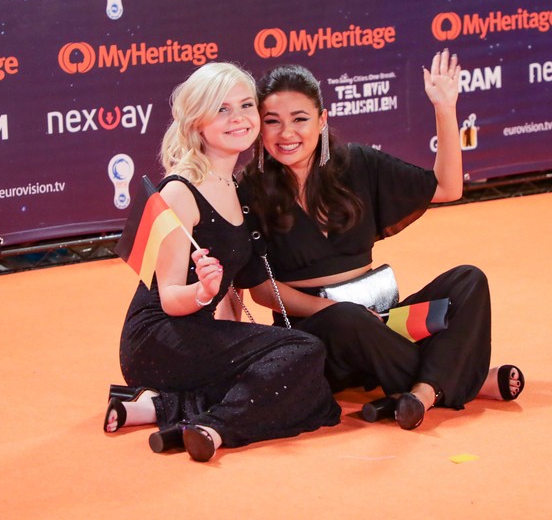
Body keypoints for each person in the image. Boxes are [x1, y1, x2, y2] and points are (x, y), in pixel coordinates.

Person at [239, 50, 524, 431]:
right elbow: (260, 291)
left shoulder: (356, 164)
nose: (286, 134)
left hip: (382, 322)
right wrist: (335, 311)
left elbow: (448, 187)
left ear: (322, 121)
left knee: (468, 280)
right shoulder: (250, 188)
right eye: (272, 122)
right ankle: (462, 382)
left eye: (300, 119)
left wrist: (445, 108)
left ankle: (422, 392)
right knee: (346, 318)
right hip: (320, 335)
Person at [104, 62, 341, 462]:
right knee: (304, 352)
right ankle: (214, 427)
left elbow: (234, 289)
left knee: (303, 371)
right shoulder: (181, 191)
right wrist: (202, 291)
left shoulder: (236, 188)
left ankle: (160, 409)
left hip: (199, 336)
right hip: (158, 340)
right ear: (198, 122)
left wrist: (245, 348)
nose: (239, 119)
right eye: (222, 109)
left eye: (246, 106)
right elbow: (170, 300)